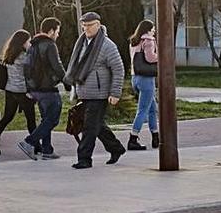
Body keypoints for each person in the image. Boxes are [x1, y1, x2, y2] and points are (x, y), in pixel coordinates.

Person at [64, 11, 126, 169]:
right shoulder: (81, 43)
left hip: (99, 94)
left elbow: (118, 69)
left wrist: (115, 93)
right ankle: (116, 148)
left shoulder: (107, 45)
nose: (86, 29)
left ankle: (84, 159)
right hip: (84, 92)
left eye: (89, 25)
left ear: (98, 25)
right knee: (96, 125)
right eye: (84, 25)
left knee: (90, 127)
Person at [19, 17, 67, 161]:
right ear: (51, 31)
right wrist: (68, 83)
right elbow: (57, 67)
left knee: (46, 119)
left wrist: (29, 89)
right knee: (52, 120)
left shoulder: (32, 45)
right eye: (57, 31)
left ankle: (47, 150)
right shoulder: (50, 45)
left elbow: (26, 68)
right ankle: (29, 142)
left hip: (36, 90)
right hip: (48, 89)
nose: (58, 35)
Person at [0, 29, 36, 155]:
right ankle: (37, 146)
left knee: (7, 117)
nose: (29, 44)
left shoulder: (9, 55)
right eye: (28, 41)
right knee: (31, 120)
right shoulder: (23, 57)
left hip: (10, 91)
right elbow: (33, 67)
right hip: (22, 92)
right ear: (22, 42)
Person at [127, 19, 159, 150]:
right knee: (143, 110)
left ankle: (156, 137)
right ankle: (133, 139)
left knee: (152, 109)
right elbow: (150, 58)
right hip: (146, 78)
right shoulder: (148, 40)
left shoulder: (134, 41)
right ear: (148, 29)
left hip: (135, 78)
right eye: (153, 28)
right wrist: (162, 55)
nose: (154, 30)